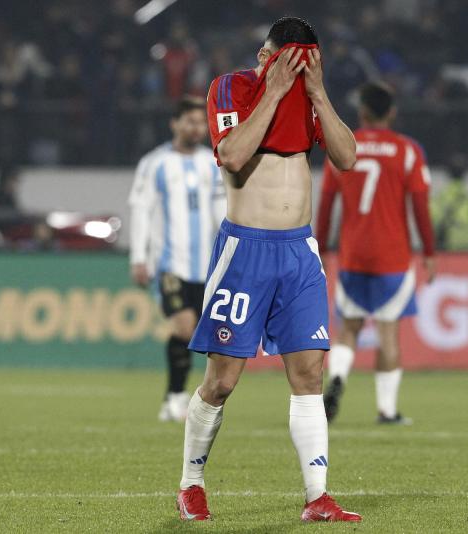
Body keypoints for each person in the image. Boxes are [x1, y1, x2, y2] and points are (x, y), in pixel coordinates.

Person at [175, 17, 361, 522]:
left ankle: (317, 497)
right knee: (222, 381)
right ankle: (191, 482)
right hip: (245, 251)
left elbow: (348, 158)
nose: (302, 71)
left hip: (299, 252)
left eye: (311, 64)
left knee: (309, 373)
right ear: (267, 56)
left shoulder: (312, 101)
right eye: (293, 62)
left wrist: (319, 95)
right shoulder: (231, 88)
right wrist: (274, 93)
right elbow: (232, 156)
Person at [316, 82, 436, 425]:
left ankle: (338, 376)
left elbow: (326, 205)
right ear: (392, 112)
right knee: (388, 332)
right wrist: (429, 251)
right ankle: (387, 410)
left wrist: (321, 247)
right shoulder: (408, 151)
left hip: (353, 254)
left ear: (362, 112)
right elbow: (420, 207)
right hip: (393, 257)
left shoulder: (344, 147)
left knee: (348, 329)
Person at [129, 96, 225, 422]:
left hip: (206, 267)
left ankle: (177, 397)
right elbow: (141, 210)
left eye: (201, 122)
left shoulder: (212, 164)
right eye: (190, 121)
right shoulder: (154, 163)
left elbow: (220, 211)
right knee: (184, 327)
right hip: (170, 264)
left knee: (197, 333)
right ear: (175, 123)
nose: (197, 128)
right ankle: (175, 397)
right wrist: (138, 257)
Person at [431, 153, 468, 250]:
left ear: (448, 173)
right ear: (465, 173)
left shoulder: (439, 196)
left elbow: (433, 222)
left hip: (449, 247)